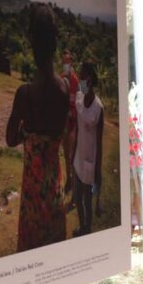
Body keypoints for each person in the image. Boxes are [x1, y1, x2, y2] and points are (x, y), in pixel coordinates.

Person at [7, 4, 68, 251]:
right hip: (54, 187)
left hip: (33, 192)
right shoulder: (64, 88)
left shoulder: (25, 94)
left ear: (32, 43)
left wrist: (24, 134)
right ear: (54, 44)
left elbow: (11, 138)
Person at [71, 60, 104, 236]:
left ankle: (87, 229)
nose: (80, 81)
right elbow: (77, 128)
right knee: (77, 197)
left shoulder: (99, 108)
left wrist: (97, 171)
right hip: (78, 157)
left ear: (89, 80)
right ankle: (82, 225)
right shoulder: (79, 98)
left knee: (87, 199)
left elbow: (99, 143)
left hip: (90, 161)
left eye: (82, 77)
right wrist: (72, 153)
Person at [60, 48, 80, 196]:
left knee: (72, 154)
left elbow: (78, 103)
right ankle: (69, 179)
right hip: (63, 122)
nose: (66, 64)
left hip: (73, 122)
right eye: (64, 62)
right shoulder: (61, 79)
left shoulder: (75, 81)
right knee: (66, 153)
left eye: (68, 62)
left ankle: (74, 182)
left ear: (71, 63)